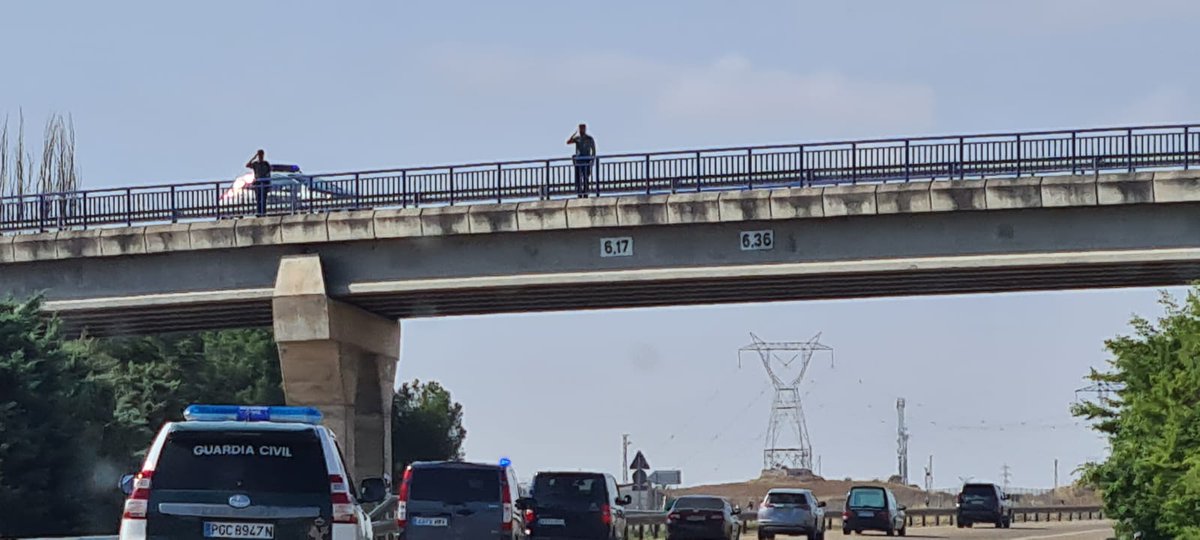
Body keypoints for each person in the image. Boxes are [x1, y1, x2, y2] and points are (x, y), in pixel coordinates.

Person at [566, 124, 596, 197]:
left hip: (586, 161)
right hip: (578, 161)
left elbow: (593, 151)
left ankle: (586, 193)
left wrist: (592, 160)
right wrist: (573, 135)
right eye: (580, 129)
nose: (581, 130)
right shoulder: (577, 138)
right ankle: (579, 192)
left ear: (585, 129)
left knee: (586, 177)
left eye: (582, 129)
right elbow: (568, 142)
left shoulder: (589, 138)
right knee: (578, 178)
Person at [245, 149, 272, 216]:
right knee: (258, 199)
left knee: (264, 199)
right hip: (258, 183)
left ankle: (263, 212)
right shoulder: (255, 164)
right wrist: (254, 157)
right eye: (259, 155)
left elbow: (269, 172)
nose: (260, 156)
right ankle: (259, 212)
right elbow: (247, 165)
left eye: (261, 155)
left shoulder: (266, 163)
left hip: (264, 183)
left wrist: (269, 184)